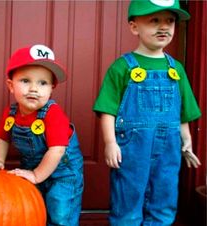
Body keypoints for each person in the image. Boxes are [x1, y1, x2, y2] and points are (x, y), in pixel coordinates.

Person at [93, 0, 201, 225]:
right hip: (132, 148)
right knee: (128, 196)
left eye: (170, 21)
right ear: (134, 27)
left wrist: (187, 140)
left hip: (169, 149)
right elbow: (107, 110)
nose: (164, 27)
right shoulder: (122, 67)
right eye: (154, 20)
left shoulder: (176, 69)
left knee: (164, 195)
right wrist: (110, 142)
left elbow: (183, 111)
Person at [0, 44, 83, 226]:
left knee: (60, 212)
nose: (34, 88)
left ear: (51, 89)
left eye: (42, 83)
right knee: (35, 209)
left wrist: (36, 175)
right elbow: (2, 138)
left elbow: (57, 150)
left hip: (63, 173)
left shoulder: (53, 114)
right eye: (25, 81)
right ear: (11, 85)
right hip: (33, 167)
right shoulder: (11, 113)